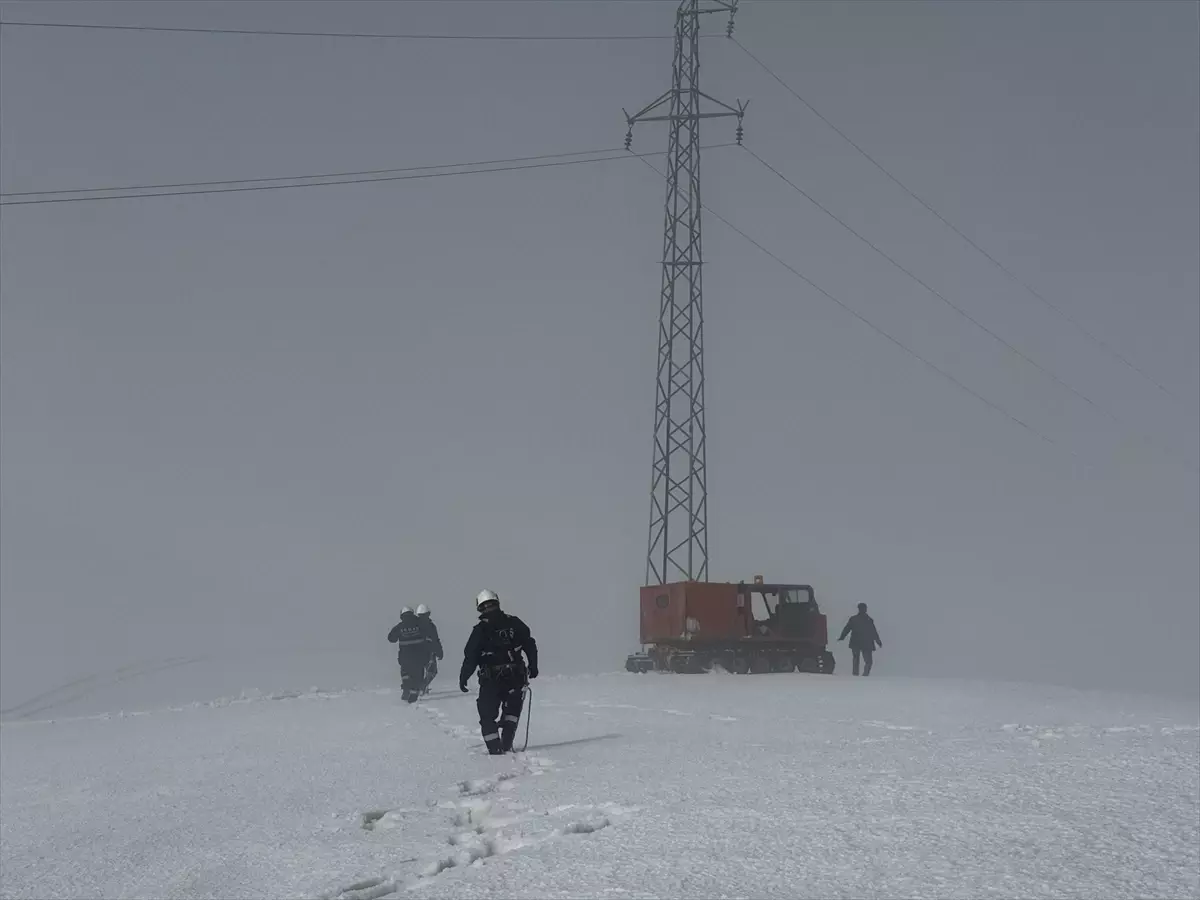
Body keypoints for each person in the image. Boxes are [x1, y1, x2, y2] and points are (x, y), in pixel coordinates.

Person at [459, 589, 538, 755]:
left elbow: (471, 655)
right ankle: (505, 744)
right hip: (514, 676)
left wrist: (464, 676)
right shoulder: (514, 623)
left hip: (492, 679)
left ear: (479, 608)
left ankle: (495, 751)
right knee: (511, 713)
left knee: (488, 716)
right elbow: (529, 644)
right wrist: (533, 665)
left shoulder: (480, 630)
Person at [388, 606, 433, 703]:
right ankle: (413, 693)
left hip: (405, 657)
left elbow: (391, 638)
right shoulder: (420, 624)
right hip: (419, 656)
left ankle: (406, 687)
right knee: (418, 675)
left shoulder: (399, 627)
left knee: (405, 672)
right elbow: (429, 635)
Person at [838, 602, 882, 676]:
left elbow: (847, 629)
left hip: (858, 642)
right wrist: (878, 641)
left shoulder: (856, 619)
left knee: (858, 660)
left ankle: (858, 675)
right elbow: (873, 632)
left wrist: (842, 637)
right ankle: (862, 675)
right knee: (866, 661)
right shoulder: (867, 620)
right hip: (865, 643)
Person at [416, 604, 444, 691]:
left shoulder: (415, 626)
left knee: (418, 672)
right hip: (429, 652)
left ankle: (419, 687)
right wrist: (439, 652)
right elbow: (435, 640)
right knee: (432, 671)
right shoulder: (431, 626)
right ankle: (422, 686)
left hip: (417, 653)